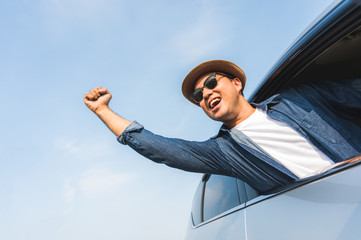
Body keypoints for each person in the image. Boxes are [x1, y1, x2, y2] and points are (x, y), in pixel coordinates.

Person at [84, 60, 361, 193]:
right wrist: (103, 111)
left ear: (236, 83)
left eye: (212, 82)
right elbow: (163, 150)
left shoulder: (297, 100)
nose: (205, 93)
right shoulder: (225, 152)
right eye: (197, 96)